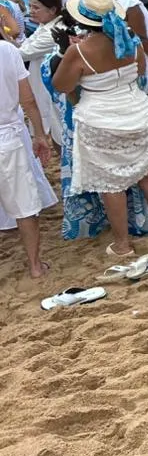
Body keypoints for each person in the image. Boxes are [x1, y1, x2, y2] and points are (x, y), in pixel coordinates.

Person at [51, 0, 148, 255]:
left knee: (111, 184)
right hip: (137, 110)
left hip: (102, 118)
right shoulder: (130, 39)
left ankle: (123, 243)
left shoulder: (81, 51)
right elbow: (140, 72)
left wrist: (68, 57)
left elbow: (61, 85)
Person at [0, 36, 55, 277]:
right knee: (24, 206)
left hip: (7, 133)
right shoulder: (7, 50)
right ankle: (35, 265)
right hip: (7, 135)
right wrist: (40, 134)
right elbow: (28, 99)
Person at [15, 0, 65, 149]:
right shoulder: (44, 26)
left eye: (36, 7)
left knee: (57, 130)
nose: (31, 12)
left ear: (52, 10)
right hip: (41, 85)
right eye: (30, 7)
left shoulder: (54, 31)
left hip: (51, 88)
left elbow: (22, 53)